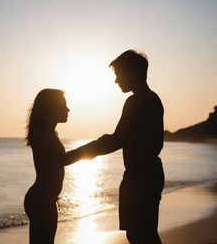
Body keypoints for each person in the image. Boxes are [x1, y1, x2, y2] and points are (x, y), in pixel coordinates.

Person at [72, 50, 165, 243]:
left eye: (118, 74)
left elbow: (117, 140)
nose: (116, 81)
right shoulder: (152, 99)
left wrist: (74, 155)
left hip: (141, 177)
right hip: (149, 174)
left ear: (132, 72)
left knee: (141, 235)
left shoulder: (137, 101)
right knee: (144, 233)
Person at [24, 89, 91, 244]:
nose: (68, 110)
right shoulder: (42, 134)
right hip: (41, 200)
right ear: (50, 107)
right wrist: (90, 149)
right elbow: (61, 160)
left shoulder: (50, 133)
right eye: (63, 105)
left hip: (46, 199)